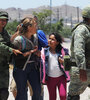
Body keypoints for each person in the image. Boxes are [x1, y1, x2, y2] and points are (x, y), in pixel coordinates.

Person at [12, 16, 45, 100]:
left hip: (33, 68)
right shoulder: (19, 40)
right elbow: (16, 57)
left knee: (37, 91)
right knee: (22, 93)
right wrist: (29, 52)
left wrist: (37, 53)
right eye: (35, 25)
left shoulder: (35, 38)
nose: (36, 27)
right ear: (29, 27)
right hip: (21, 69)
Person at [67, 5, 90, 100]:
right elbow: (78, 51)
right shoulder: (82, 30)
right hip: (81, 69)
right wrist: (82, 69)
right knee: (73, 95)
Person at [0, 11, 22, 100]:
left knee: (4, 92)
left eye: (5, 20)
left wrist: (17, 33)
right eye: (1, 20)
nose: (3, 22)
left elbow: (10, 42)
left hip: (4, 67)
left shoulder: (5, 33)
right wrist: (11, 50)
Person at [40, 32, 69, 100]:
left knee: (63, 96)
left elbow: (68, 63)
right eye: (49, 38)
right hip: (50, 78)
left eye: (53, 39)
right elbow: (41, 63)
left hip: (61, 78)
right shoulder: (44, 51)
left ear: (57, 42)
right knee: (52, 97)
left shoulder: (63, 51)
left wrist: (63, 62)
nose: (50, 40)